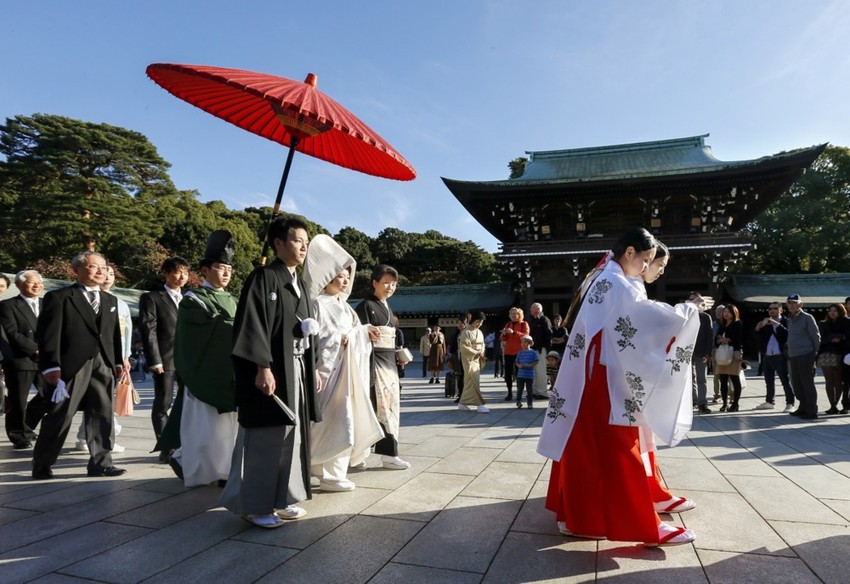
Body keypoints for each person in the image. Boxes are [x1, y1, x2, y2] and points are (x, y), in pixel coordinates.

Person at [538, 227, 700, 547]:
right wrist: (687, 311)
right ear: (629, 252)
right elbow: (643, 317)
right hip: (604, 374)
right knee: (619, 444)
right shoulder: (616, 282)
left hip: (593, 370)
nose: (647, 267)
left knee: (587, 444)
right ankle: (639, 522)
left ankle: (580, 516)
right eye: (646, 260)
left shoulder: (607, 275)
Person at [221, 216, 321, 528]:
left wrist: (313, 365)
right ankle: (256, 505)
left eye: (306, 242)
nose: (303, 246)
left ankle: (283, 498)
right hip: (272, 368)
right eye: (297, 240)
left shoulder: (301, 284)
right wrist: (262, 366)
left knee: (292, 435)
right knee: (266, 435)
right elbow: (252, 325)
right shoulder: (263, 277)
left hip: (297, 367)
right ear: (278, 243)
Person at [32, 251, 125, 480]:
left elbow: (113, 335)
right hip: (71, 365)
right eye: (94, 266)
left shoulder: (110, 300)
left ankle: (101, 463)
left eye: (104, 267)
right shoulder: (60, 297)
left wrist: (117, 362)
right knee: (61, 414)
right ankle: (42, 463)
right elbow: (48, 335)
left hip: (103, 363)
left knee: (102, 413)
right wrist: (51, 366)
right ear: (76, 270)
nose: (101, 271)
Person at [303, 234, 384, 491]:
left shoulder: (347, 307)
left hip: (346, 372)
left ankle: (334, 473)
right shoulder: (316, 305)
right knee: (331, 423)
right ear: (327, 277)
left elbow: (355, 331)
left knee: (345, 421)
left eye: (348, 275)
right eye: (340, 275)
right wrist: (343, 339)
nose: (346, 279)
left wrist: (365, 331)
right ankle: (327, 474)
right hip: (327, 371)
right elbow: (315, 339)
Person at [161, 232, 239, 487]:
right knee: (206, 430)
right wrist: (234, 327)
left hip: (229, 373)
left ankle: (225, 470)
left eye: (229, 269)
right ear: (205, 270)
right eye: (220, 267)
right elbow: (198, 335)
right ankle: (190, 464)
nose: (226, 273)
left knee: (227, 430)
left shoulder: (234, 300)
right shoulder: (193, 299)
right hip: (205, 373)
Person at [355, 264, 410, 470]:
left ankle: (388, 454)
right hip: (372, 364)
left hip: (389, 364)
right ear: (374, 283)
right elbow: (356, 333)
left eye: (393, 284)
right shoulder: (365, 306)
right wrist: (365, 331)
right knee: (374, 409)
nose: (390, 287)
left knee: (388, 408)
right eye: (386, 283)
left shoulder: (387, 306)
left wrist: (399, 356)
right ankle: (360, 455)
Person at [74, 264, 130, 454]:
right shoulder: (82, 297)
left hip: (113, 356)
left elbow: (126, 332)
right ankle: (89, 436)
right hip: (86, 356)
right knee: (92, 399)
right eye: (104, 272)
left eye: (111, 273)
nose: (107, 276)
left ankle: (97, 438)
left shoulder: (120, 303)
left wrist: (125, 356)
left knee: (104, 399)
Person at [138, 256, 190, 462]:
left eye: (185, 272)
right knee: (163, 404)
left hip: (187, 360)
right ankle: (166, 447)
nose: (181, 276)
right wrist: (155, 360)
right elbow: (148, 330)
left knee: (187, 403)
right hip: (165, 359)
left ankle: (184, 442)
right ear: (165, 274)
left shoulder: (190, 298)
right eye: (177, 272)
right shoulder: (152, 297)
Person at [0, 270, 49, 448]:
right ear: (19, 285)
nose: (37, 285)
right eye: (31, 282)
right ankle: (18, 435)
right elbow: (12, 332)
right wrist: (34, 349)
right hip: (21, 358)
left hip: (47, 358)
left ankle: (26, 426)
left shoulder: (47, 304)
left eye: (39, 282)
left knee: (48, 395)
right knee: (18, 400)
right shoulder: (8, 305)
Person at [785, 294, 820, 420]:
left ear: (801, 304)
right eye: (789, 302)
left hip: (806, 354)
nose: (791, 305)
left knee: (807, 383)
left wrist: (815, 354)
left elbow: (816, 336)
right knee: (797, 383)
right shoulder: (789, 319)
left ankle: (811, 409)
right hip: (793, 355)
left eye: (794, 302)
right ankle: (803, 406)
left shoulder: (807, 317)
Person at [754, 302, 793, 412]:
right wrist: (758, 328)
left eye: (775, 308)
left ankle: (790, 403)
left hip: (780, 355)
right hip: (767, 355)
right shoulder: (766, 322)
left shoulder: (786, 321)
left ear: (781, 310)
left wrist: (776, 325)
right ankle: (769, 401)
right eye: (770, 309)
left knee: (785, 381)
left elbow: (787, 335)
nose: (772, 310)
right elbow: (758, 337)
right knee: (769, 381)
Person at [817, 303, 848, 415]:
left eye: (835, 310)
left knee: (838, 380)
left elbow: (846, 337)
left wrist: (838, 337)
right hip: (826, 353)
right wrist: (833, 338)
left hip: (840, 353)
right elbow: (821, 339)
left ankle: (836, 403)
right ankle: (832, 405)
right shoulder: (823, 323)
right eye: (830, 310)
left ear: (840, 311)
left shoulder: (846, 322)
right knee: (829, 381)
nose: (832, 313)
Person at [687, 293, 714, 414]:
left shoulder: (706, 317)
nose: (694, 302)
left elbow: (709, 336)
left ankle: (702, 403)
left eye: (696, 300)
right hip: (687, 351)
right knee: (689, 379)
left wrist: (708, 353)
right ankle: (693, 401)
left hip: (701, 351)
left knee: (701, 378)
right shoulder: (685, 315)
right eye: (691, 300)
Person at [457, 312, 489, 413]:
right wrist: (476, 352)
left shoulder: (479, 332)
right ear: (473, 320)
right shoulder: (466, 332)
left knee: (470, 381)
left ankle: (462, 403)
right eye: (478, 321)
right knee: (473, 379)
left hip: (477, 359)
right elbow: (464, 347)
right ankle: (479, 404)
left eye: (481, 322)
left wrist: (482, 351)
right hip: (469, 359)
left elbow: (482, 344)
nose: (479, 324)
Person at [715, 304, 744, 412]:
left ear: (734, 313)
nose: (726, 314)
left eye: (728, 312)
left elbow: (738, 339)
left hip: (733, 354)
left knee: (734, 379)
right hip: (722, 355)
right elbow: (716, 339)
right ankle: (724, 404)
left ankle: (735, 404)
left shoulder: (738, 324)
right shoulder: (722, 325)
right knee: (723, 379)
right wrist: (722, 340)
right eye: (725, 312)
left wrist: (725, 339)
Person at [500, 307, 529, 401]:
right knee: (508, 373)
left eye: (515, 313)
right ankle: (509, 393)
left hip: (519, 352)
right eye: (511, 314)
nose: (513, 315)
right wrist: (504, 334)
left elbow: (526, 336)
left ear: (519, 315)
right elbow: (503, 339)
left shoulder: (524, 324)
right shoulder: (508, 324)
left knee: (519, 373)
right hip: (508, 351)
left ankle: (519, 393)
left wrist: (514, 333)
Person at [527, 303, 552, 397]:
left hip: (541, 348)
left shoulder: (544, 319)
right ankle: (534, 391)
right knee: (533, 371)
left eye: (532, 308)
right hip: (532, 349)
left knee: (540, 370)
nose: (530, 310)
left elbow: (549, 334)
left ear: (538, 309)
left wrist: (546, 348)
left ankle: (542, 392)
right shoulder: (531, 320)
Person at [514, 335, 538, 409]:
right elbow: (516, 361)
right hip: (520, 375)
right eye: (522, 342)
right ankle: (518, 401)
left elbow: (536, 361)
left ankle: (530, 403)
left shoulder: (533, 352)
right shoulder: (520, 352)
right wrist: (519, 365)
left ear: (530, 343)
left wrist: (530, 365)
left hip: (529, 375)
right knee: (519, 389)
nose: (523, 344)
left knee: (529, 390)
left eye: (525, 342)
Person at [710, 304, 726, 403]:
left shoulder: (729, 323)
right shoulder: (713, 324)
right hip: (715, 350)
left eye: (719, 311)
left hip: (727, 350)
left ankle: (731, 393)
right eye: (716, 311)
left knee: (728, 373)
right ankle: (717, 394)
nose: (717, 313)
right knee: (716, 374)